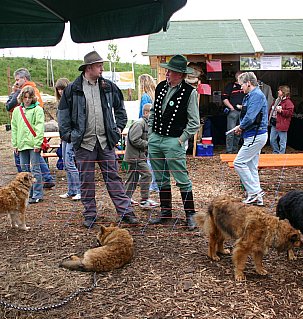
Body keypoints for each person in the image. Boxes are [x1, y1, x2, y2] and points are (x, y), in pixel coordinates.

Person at [57, 50, 138, 228]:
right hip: (84, 143)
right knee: (86, 180)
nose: (102, 69)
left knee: (114, 178)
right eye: (99, 66)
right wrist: (70, 136)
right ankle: (90, 215)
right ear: (88, 68)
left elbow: (120, 110)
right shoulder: (73, 89)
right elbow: (62, 115)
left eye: (101, 65)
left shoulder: (108, 87)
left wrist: (117, 129)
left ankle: (125, 212)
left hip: (106, 141)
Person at [147, 55, 200, 230]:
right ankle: (166, 212)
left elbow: (194, 121)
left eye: (170, 70)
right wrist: (150, 133)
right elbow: (154, 111)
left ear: (179, 73)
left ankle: (190, 214)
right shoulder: (161, 87)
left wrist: (181, 139)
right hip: (156, 138)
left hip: (173, 141)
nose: (167, 72)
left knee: (182, 179)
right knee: (161, 177)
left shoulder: (190, 92)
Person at [6, 67, 55, 189]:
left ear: (24, 78)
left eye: (18, 79)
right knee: (34, 162)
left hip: (29, 136)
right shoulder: (28, 92)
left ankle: (30, 185)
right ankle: (46, 179)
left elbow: (10, 106)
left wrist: (15, 92)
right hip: (24, 136)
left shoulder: (27, 92)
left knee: (31, 165)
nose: (16, 82)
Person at [233, 72, 268, 206]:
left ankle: (254, 192)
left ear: (248, 83)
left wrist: (240, 127)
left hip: (255, 135)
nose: (240, 87)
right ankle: (258, 199)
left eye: (241, 84)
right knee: (251, 166)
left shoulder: (256, 96)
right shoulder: (251, 96)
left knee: (239, 163)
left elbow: (250, 117)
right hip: (254, 135)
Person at [11, 86, 45, 204]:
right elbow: (14, 128)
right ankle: (27, 193)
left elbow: (39, 127)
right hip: (21, 143)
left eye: (29, 97)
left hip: (33, 142)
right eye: (25, 97)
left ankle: (37, 194)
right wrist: (15, 144)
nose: (27, 100)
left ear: (33, 98)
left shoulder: (38, 110)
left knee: (35, 169)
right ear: (21, 97)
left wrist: (38, 143)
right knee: (24, 170)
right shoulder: (17, 111)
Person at [124, 104, 158, 208]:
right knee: (147, 175)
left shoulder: (146, 124)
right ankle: (144, 200)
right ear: (146, 113)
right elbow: (135, 140)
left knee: (132, 179)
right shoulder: (139, 124)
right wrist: (149, 144)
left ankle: (125, 199)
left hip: (138, 156)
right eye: (152, 113)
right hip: (135, 157)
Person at [55, 78, 81, 201]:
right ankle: (71, 190)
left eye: (62, 89)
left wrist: (72, 135)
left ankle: (80, 190)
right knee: (66, 164)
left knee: (70, 163)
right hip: (63, 136)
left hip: (71, 136)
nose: (60, 91)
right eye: (58, 89)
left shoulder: (73, 102)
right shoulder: (60, 102)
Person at [222, 71, 245, 154]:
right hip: (233, 111)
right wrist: (231, 108)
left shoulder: (245, 86)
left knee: (239, 132)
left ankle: (235, 150)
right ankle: (229, 151)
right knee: (230, 132)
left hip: (243, 112)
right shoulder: (230, 86)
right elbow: (224, 98)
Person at [269, 85, 294, 154]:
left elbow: (290, 113)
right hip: (274, 123)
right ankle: (276, 152)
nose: (278, 91)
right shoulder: (277, 100)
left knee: (282, 142)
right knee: (272, 140)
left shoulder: (288, 102)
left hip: (282, 124)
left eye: (279, 90)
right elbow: (271, 109)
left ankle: (281, 155)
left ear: (283, 92)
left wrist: (281, 111)